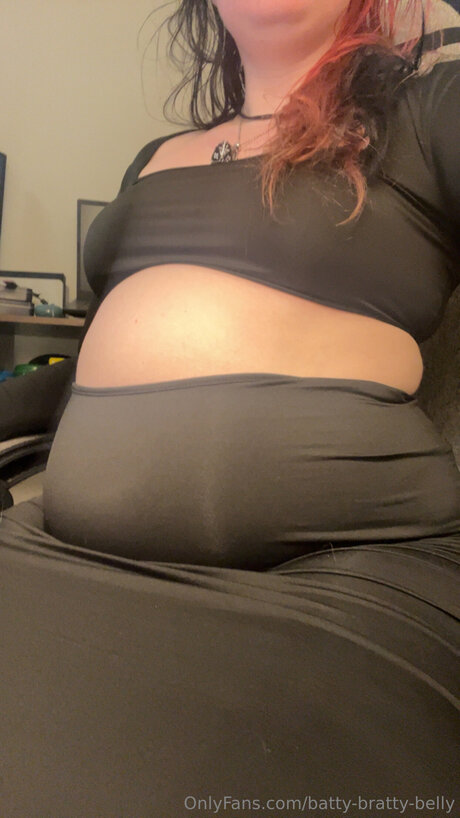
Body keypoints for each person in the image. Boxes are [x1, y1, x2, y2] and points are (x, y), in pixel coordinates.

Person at [12, 1, 460, 565]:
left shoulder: (431, 109)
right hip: (65, 554)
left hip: (342, 575)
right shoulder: (151, 160)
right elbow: (90, 370)